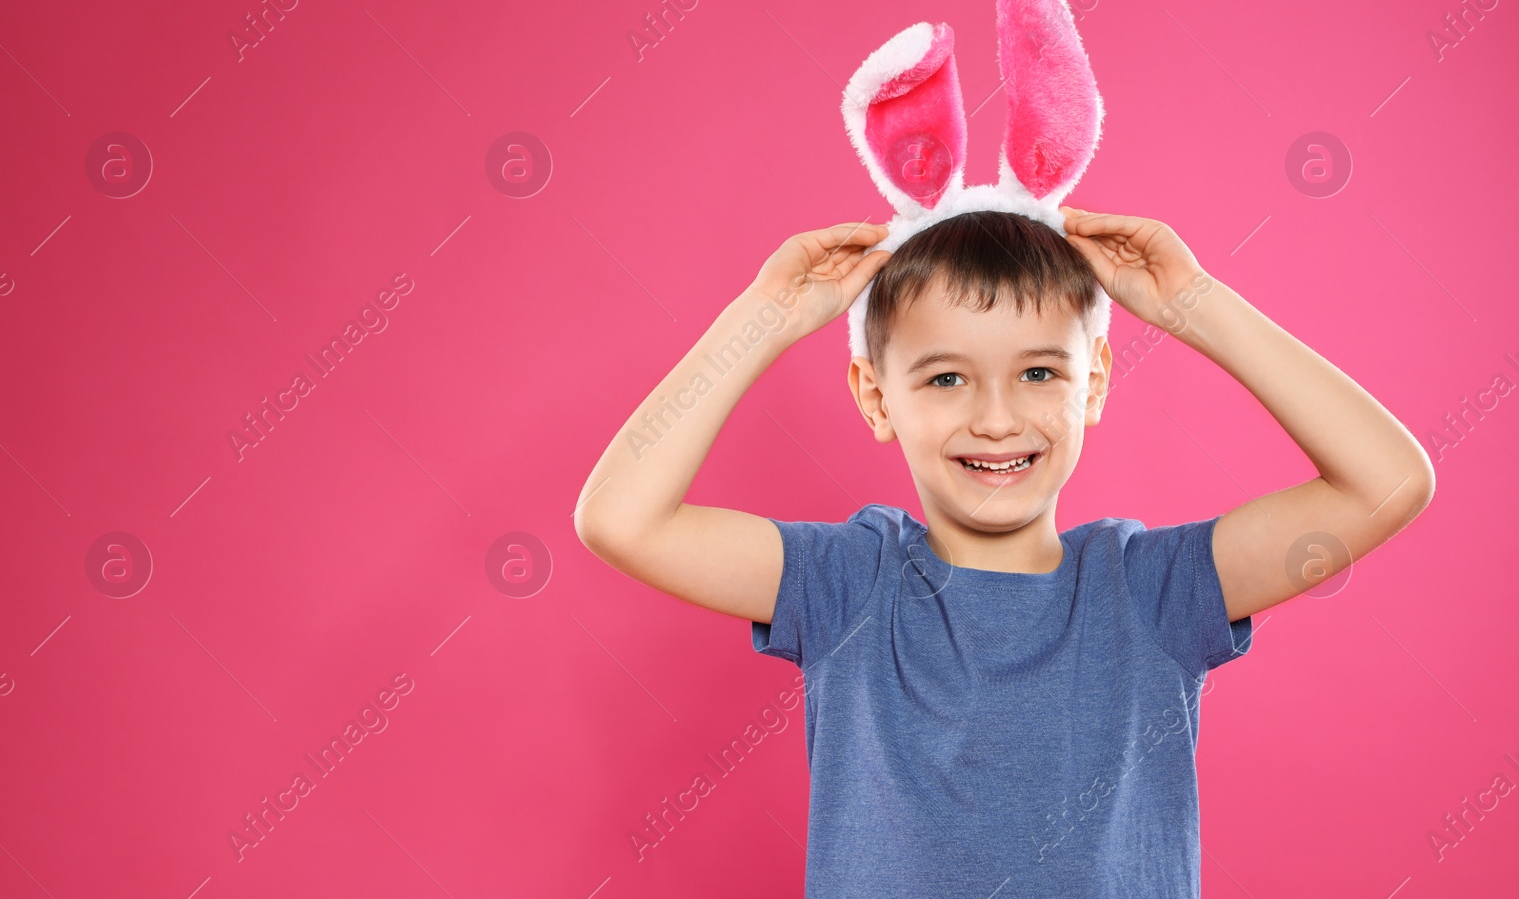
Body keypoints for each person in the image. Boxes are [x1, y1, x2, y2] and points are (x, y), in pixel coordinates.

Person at [573, 205, 1434, 897]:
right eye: (946, 378)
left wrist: (1193, 304)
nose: (996, 418)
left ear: (1092, 382)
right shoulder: (849, 583)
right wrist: (762, 319)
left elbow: (1385, 483)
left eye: (1039, 373)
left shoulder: (1152, 590)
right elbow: (622, 519)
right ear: (877, 398)